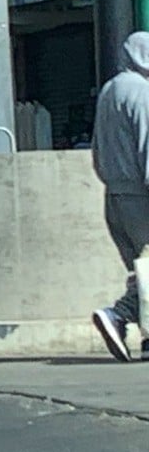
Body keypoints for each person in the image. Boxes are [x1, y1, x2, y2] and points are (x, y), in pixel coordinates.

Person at [90, 32, 149, 362]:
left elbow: (97, 149)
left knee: (143, 271)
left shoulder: (110, 90)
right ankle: (118, 315)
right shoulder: (142, 93)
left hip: (115, 194)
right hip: (141, 195)